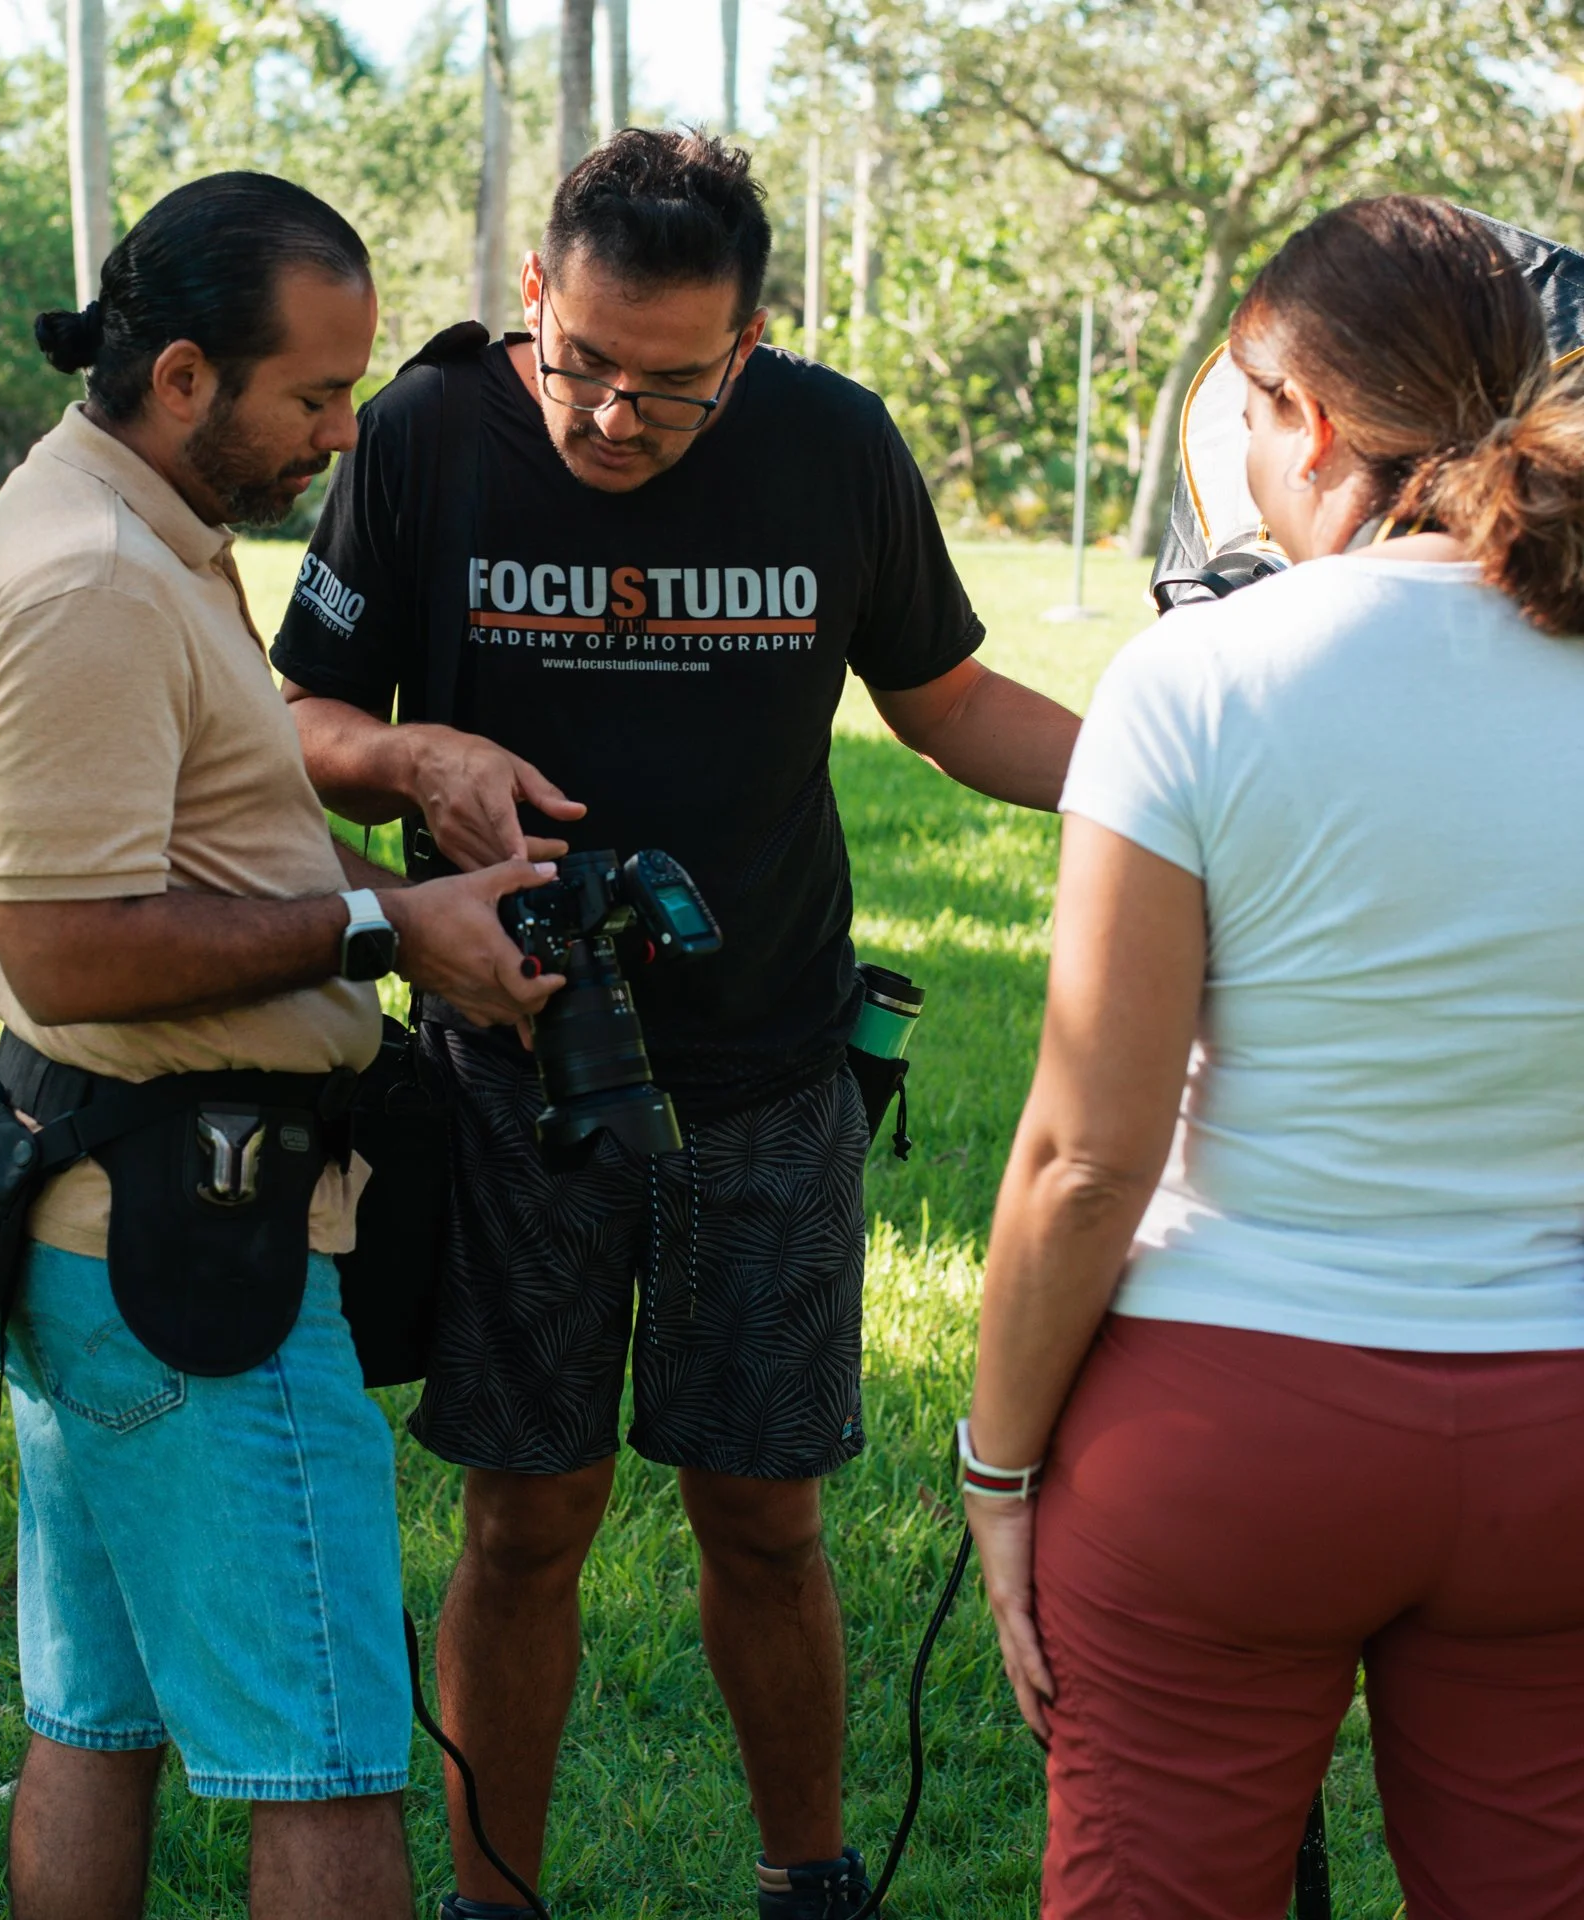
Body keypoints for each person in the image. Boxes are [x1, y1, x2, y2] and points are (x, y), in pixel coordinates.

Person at [273, 129, 1081, 1919]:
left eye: (673, 384)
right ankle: (500, 1900)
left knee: (768, 1516)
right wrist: (417, 754)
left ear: (751, 341)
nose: (616, 417)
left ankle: (810, 1881)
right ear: (536, 300)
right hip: (513, 1066)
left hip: (772, 1071)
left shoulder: (831, 444)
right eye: (585, 363)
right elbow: (297, 716)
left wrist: (1169, 791)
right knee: (526, 1517)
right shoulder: (422, 438)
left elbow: (946, 704)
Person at [0, 172, 561, 1920]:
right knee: (334, 1770)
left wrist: (410, 891)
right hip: (192, 1266)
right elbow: (57, 941)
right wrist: (381, 929)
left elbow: (209, 855)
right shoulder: (95, 581)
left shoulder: (134, 527)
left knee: (97, 1727)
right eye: (314, 396)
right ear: (191, 375)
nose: (342, 437)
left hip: (112, 1235)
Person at [962, 194, 1584, 1919]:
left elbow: (1087, 1159)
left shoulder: (1198, 676)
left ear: (1302, 420)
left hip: (1229, 1438)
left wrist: (996, 1466)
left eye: (1239, 401)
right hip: (1558, 1435)